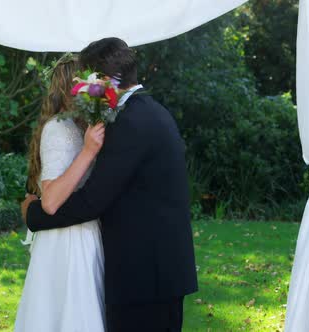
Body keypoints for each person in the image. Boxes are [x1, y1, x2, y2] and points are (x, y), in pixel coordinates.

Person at [21, 37, 197, 332]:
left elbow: (93, 199)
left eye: (88, 81)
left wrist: (34, 215)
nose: (83, 89)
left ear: (103, 80)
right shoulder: (149, 110)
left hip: (144, 275)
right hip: (157, 270)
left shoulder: (130, 122)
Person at [14, 55, 107, 331]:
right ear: (72, 86)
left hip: (85, 233)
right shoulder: (58, 128)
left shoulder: (81, 126)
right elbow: (51, 201)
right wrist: (89, 151)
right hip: (67, 243)